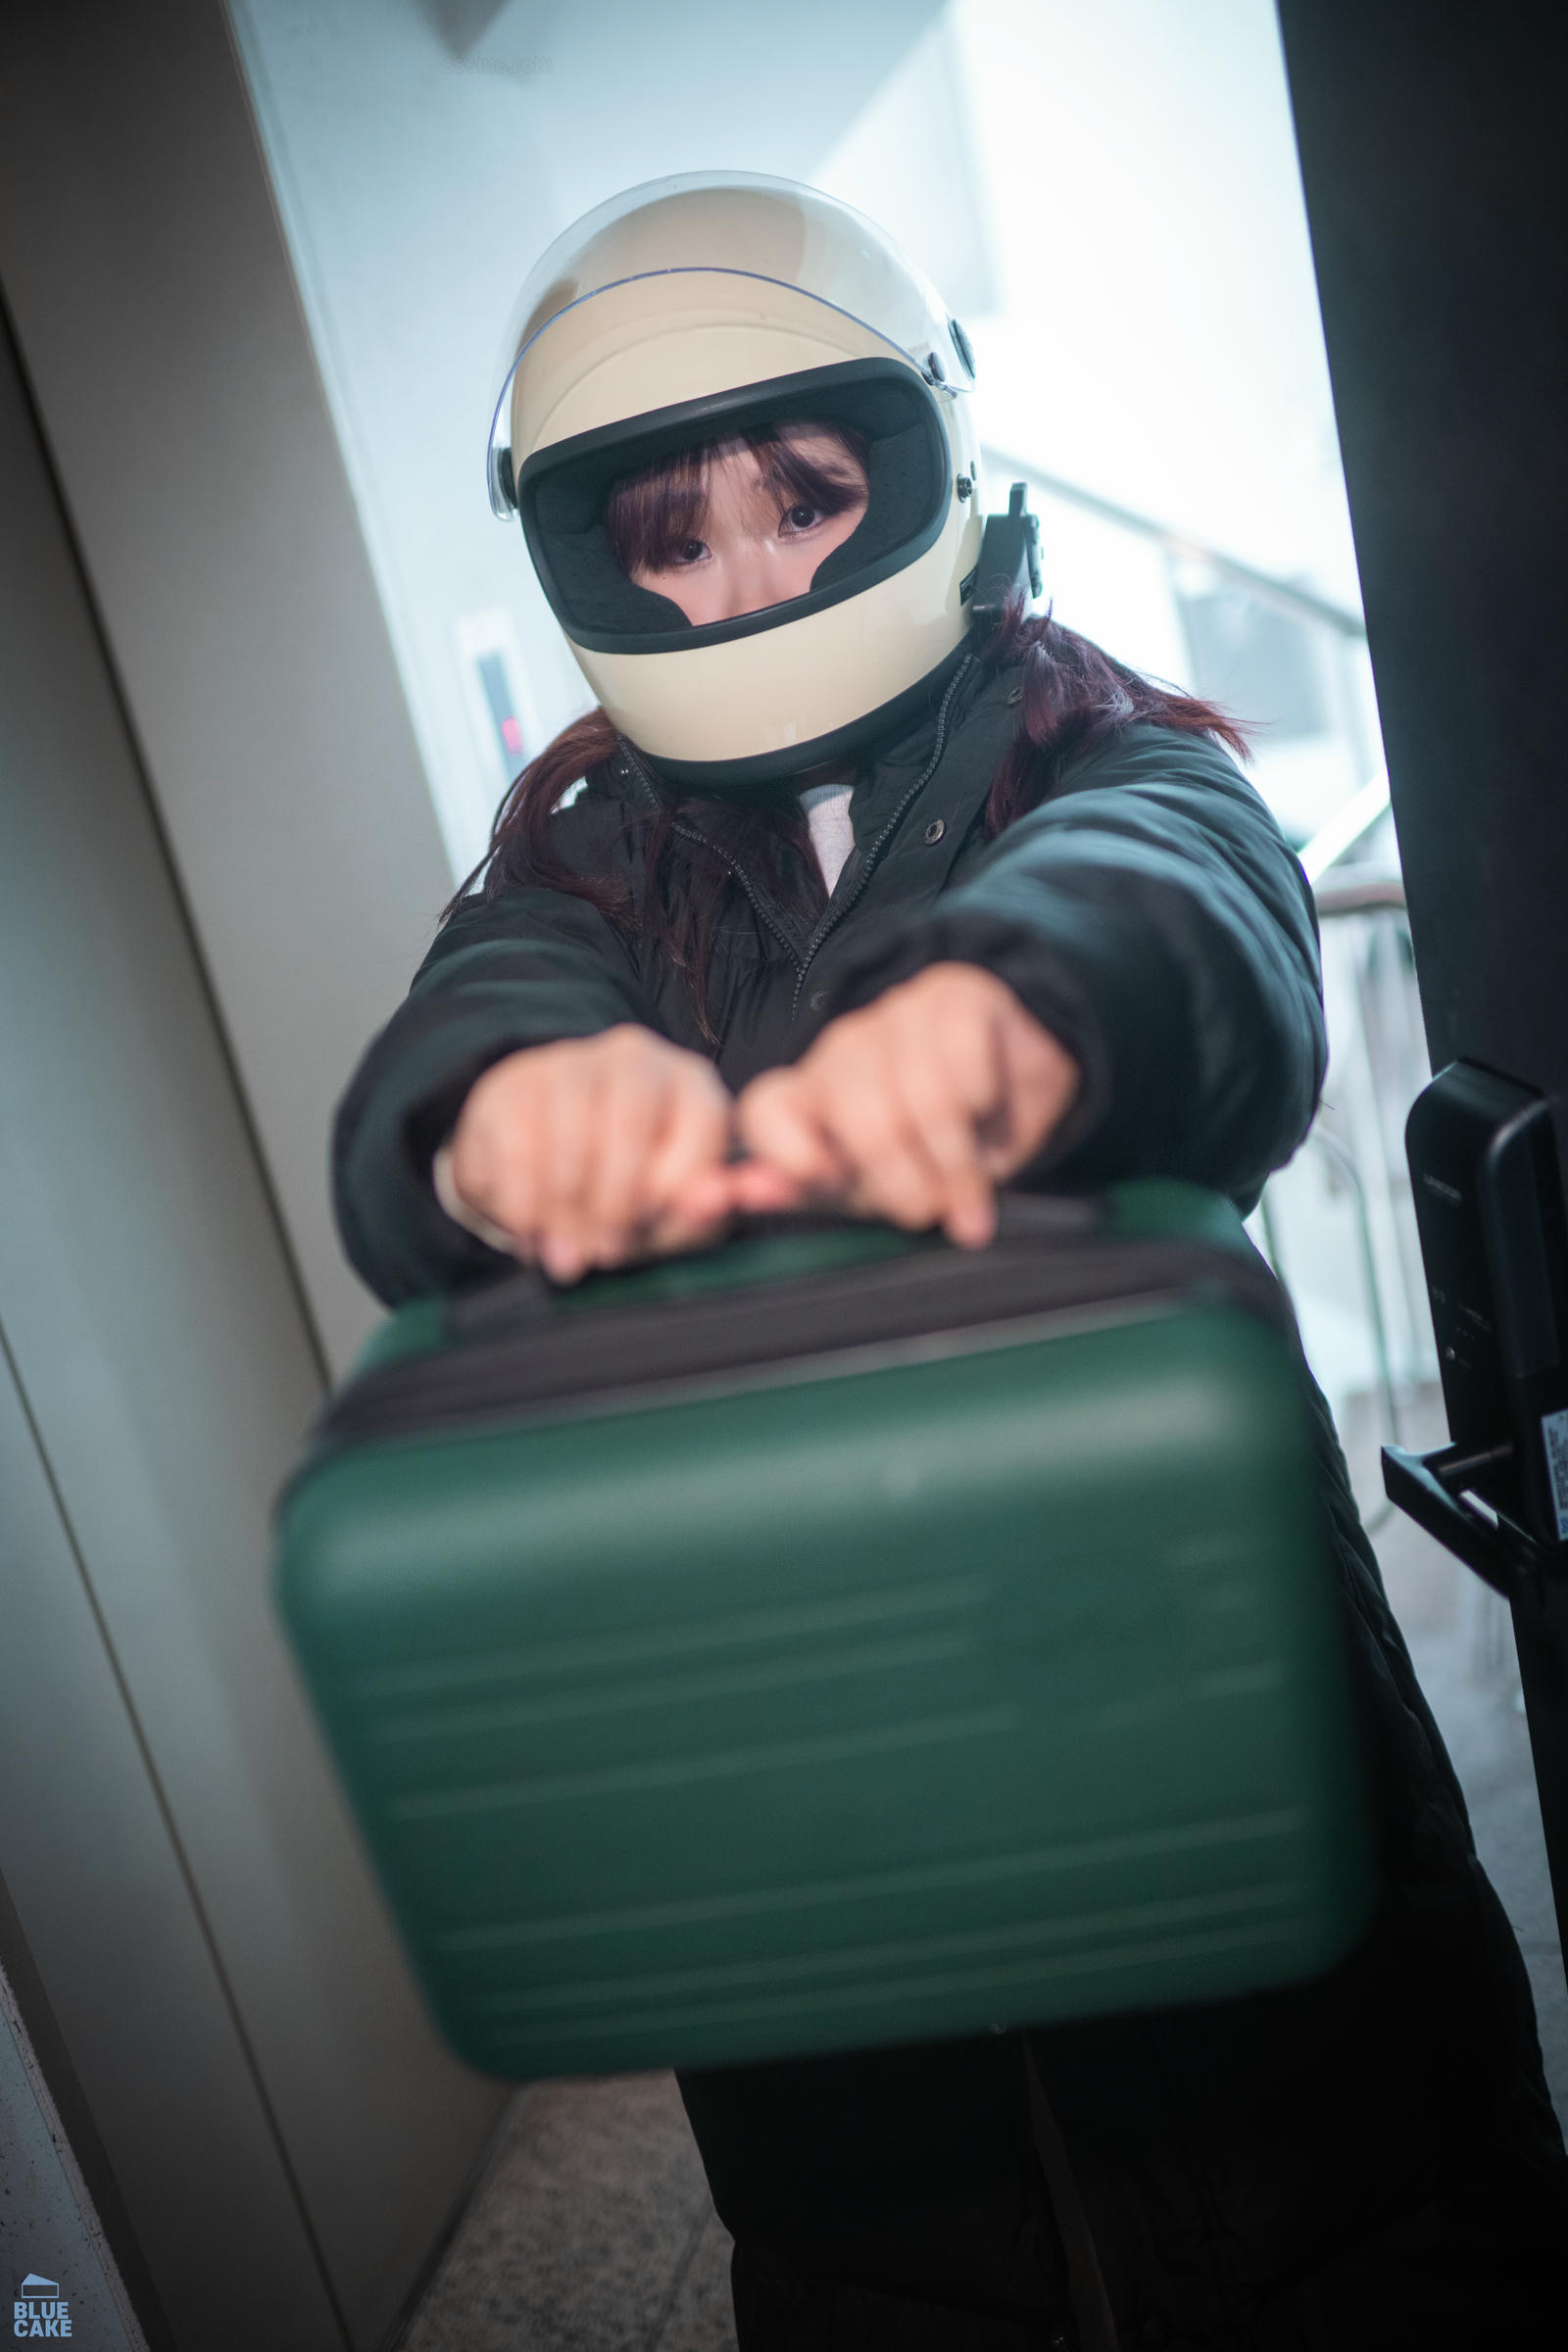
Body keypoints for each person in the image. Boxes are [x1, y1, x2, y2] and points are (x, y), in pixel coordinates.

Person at [333, 174, 1568, 2348]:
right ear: (588, 567)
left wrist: (1016, 1015)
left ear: (922, 467)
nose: (749, 577)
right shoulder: (573, 872)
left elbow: (1180, 907)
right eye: (673, 538)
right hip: (829, 1904)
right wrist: (504, 1112)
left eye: (807, 501)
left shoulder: (1104, 756)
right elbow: (462, 1034)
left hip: (1242, 1855)